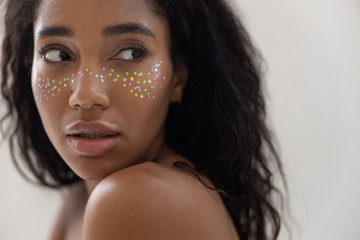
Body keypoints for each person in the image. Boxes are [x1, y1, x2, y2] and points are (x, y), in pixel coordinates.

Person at [1, 0, 285, 239]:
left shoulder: (133, 200)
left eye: (130, 53)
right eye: (58, 54)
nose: (86, 96)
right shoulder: (80, 200)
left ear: (178, 76)